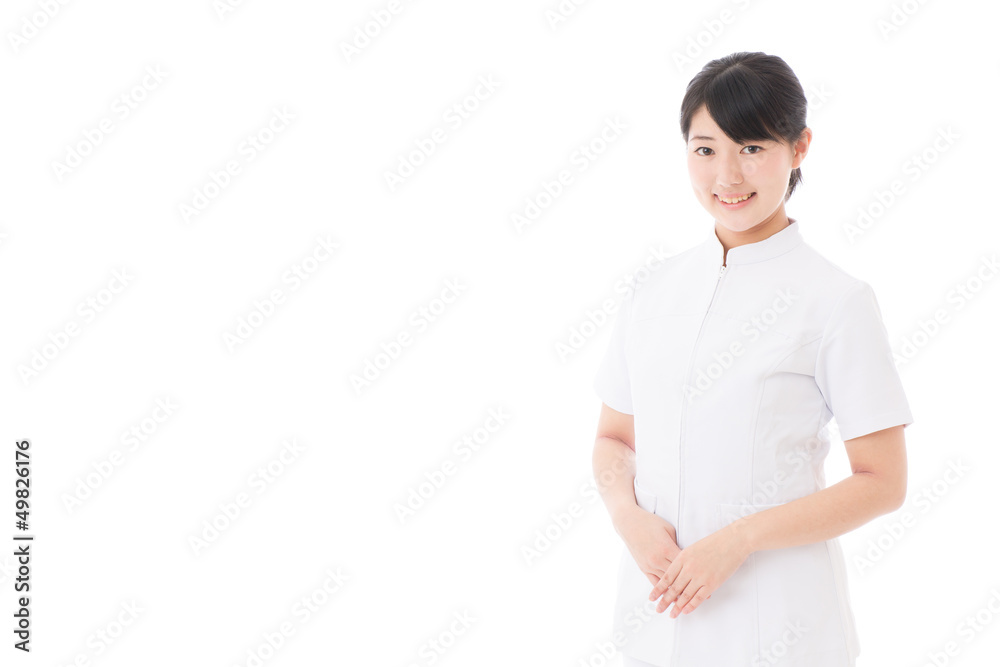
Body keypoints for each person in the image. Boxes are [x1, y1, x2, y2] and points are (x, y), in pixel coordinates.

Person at [591, 52, 914, 667]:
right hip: (653, 615)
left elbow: (883, 482)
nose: (728, 175)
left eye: (753, 147)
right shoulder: (651, 290)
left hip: (779, 625)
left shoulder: (836, 301)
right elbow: (613, 438)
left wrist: (740, 539)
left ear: (799, 148)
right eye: (706, 149)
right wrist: (626, 517)